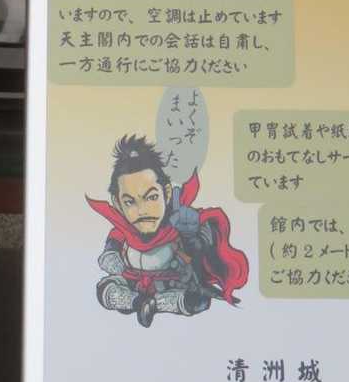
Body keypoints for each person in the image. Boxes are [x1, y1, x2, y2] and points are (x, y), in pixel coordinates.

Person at [86, 133, 249, 328]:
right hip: (133, 284)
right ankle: (137, 303)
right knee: (106, 289)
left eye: (151, 197)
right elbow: (108, 256)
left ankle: (155, 305)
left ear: (167, 193)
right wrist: (121, 269)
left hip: (173, 284)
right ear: (117, 203)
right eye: (130, 202)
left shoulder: (181, 221)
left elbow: (201, 251)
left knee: (197, 300)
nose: (142, 210)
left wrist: (191, 235)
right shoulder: (121, 231)